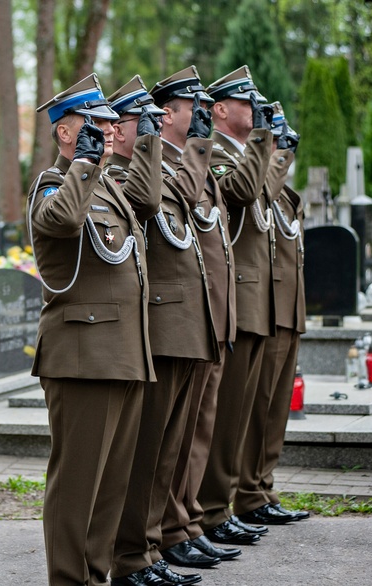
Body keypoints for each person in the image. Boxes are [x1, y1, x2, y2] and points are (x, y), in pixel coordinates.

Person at [29, 73, 160, 586]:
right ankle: (68, 578)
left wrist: (145, 140)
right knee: (78, 483)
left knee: (110, 485)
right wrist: (82, 163)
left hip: (124, 349)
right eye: (96, 123)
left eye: (111, 122)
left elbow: (148, 201)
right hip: (82, 354)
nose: (108, 130)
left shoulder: (109, 184)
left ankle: (95, 574)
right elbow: (59, 223)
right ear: (66, 133)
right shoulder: (55, 183)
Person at [105, 75, 217, 586]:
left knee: (168, 449)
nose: (142, 129)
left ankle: (153, 547)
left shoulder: (160, 167)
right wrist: (157, 143)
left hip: (186, 322)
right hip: (161, 324)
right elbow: (155, 201)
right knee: (150, 450)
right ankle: (136, 552)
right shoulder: (127, 174)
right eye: (136, 122)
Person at [148, 66, 245, 568]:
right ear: (168, 113)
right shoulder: (161, 166)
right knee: (171, 437)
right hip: (178, 317)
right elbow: (182, 204)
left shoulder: (192, 161)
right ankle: (169, 529)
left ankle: (183, 520)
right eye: (195, 108)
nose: (203, 115)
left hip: (206, 315)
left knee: (195, 431)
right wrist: (201, 147)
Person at [198, 65, 287, 544]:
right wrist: (262, 147)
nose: (257, 113)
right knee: (226, 412)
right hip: (236, 297)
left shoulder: (243, 151)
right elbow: (244, 193)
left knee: (242, 413)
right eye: (248, 105)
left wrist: (274, 152)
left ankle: (227, 500)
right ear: (220, 110)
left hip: (254, 296)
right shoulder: (212, 150)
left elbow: (265, 198)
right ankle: (213, 507)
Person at [233, 103, 310, 525]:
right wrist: (274, 154)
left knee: (274, 410)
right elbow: (253, 194)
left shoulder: (273, 183)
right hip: (265, 304)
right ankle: (245, 493)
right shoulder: (247, 171)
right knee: (254, 408)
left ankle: (260, 487)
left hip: (285, 304)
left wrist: (280, 155)